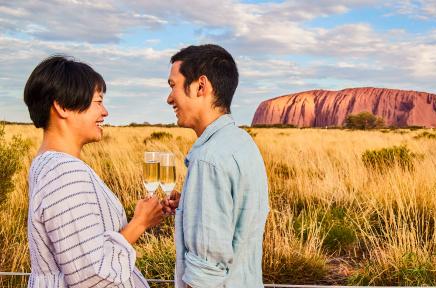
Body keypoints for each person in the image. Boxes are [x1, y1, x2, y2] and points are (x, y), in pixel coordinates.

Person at [24, 55, 163, 287]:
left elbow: (82, 251)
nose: (105, 112)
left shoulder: (47, 165)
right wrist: (139, 223)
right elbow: (91, 276)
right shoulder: (64, 173)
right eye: (98, 102)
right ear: (63, 106)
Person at [164, 44, 269, 288]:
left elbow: (205, 276)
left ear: (201, 86)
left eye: (173, 86)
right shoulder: (242, 142)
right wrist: (190, 204)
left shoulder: (209, 159)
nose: (169, 98)